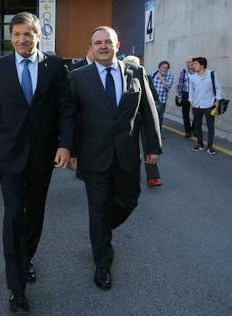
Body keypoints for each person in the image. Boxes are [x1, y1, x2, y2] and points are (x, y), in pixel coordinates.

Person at [0, 12, 75, 314]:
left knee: (34, 214)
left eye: (28, 34)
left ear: (38, 35)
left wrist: (65, 145)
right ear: (11, 36)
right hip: (8, 156)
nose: (22, 39)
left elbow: (66, 109)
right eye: (17, 34)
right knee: (12, 215)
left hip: (43, 156)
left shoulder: (54, 66)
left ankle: (26, 258)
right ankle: (16, 287)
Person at [69, 26, 161, 291]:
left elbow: (148, 110)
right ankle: (102, 263)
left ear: (117, 46)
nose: (103, 46)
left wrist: (153, 146)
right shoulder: (78, 77)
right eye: (97, 42)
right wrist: (72, 151)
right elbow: (72, 117)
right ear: (91, 47)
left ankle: (101, 232)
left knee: (128, 201)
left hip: (127, 155)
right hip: (93, 157)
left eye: (107, 42)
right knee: (98, 211)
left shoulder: (136, 72)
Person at [123, 55, 162, 187]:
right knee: (143, 146)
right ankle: (152, 177)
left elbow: (153, 96)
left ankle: (150, 176)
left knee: (145, 146)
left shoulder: (143, 76)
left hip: (142, 117)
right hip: (135, 118)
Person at [188, 56, 222, 155]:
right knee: (197, 125)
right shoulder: (193, 76)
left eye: (195, 64)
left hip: (209, 104)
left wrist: (217, 100)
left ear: (202, 65)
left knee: (210, 126)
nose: (193, 65)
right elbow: (191, 90)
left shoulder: (212, 74)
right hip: (196, 105)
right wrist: (191, 101)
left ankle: (210, 146)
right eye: (193, 64)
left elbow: (218, 88)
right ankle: (199, 144)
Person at [176, 56, 196, 137]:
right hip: (185, 94)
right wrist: (179, 96)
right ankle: (188, 131)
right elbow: (180, 84)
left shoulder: (198, 72)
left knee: (197, 113)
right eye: (188, 62)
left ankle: (194, 129)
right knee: (185, 113)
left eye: (191, 62)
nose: (190, 64)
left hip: (196, 95)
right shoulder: (183, 72)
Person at [151, 60, 174, 130]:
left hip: (162, 101)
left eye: (166, 68)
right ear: (159, 68)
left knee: (160, 118)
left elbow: (167, 87)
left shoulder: (170, 76)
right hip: (153, 99)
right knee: (152, 116)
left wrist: (161, 77)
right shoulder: (153, 74)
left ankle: (158, 133)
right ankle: (151, 132)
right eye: (162, 67)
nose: (164, 69)